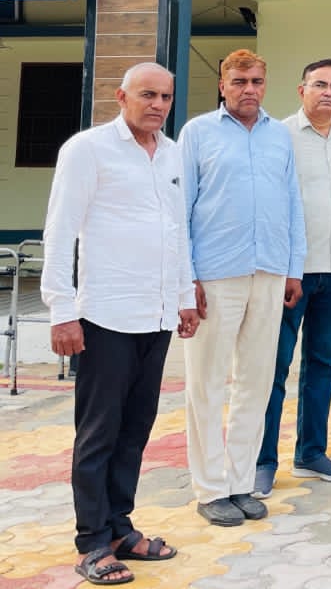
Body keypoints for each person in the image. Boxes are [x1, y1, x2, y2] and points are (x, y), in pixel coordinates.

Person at [41, 63, 199, 585]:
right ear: (121, 96)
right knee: (99, 433)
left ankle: (119, 529)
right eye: (147, 94)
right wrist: (62, 309)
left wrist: (184, 298)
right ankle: (91, 542)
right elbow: (60, 231)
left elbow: (176, 232)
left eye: (166, 97)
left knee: (135, 430)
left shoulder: (171, 153)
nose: (158, 105)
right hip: (105, 316)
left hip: (156, 315)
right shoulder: (87, 150)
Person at [179, 49, 305, 527]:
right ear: (222, 85)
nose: (248, 89)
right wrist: (187, 277)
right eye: (239, 81)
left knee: (256, 381)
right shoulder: (197, 133)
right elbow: (180, 208)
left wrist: (293, 269)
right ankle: (210, 488)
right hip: (215, 274)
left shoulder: (279, 136)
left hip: (269, 272)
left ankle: (239, 482)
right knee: (207, 383)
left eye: (256, 81)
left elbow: (292, 203)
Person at [254, 59, 331, 499]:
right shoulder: (279, 135)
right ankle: (262, 461)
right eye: (320, 84)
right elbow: (269, 203)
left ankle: (311, 453)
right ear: (302, 90)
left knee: (322, 366)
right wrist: (282, 268)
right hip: (291, 273)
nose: (328, 92)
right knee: (274, 367)